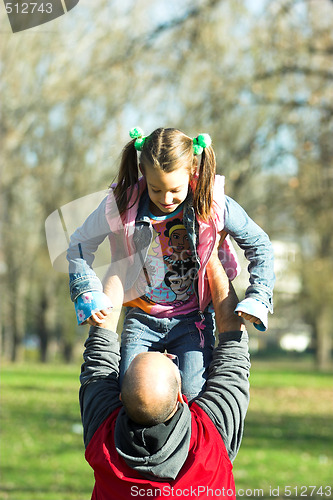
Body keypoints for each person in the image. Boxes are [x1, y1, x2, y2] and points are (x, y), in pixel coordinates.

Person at [68, 127, 274, 400]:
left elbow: (260, 244)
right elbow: (79, 244)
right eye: (156, 189)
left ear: (192, 169)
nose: (166, 199)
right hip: (142, 318)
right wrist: (87, 291)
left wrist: (258, 295)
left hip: (192, 321)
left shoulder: (212, 203)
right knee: (132, 396)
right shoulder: (122, 203)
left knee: (192, 394)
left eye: (175, 190)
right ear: (142, 170)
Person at [79, 241, 250, 499]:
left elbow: (99, 352)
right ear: (182, 395)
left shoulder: (103, 439)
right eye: (170, 359)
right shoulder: (210, 440)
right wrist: (211, 253)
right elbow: (232, 348)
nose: (166, 350)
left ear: (121, 396)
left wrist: (121, 257)